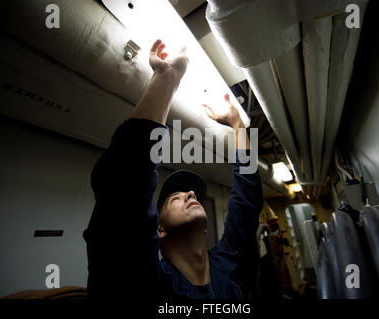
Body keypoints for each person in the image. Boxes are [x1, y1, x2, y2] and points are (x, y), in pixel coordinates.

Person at [83, 39, 264, 300]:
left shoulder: (230, 262)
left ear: (205, 230)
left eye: (189, 195)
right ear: (159, 229)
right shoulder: (142, 282)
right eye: (175, 198)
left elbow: (248, 197)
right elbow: (122, 186)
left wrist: (238, 125)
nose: (190, 193)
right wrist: (167, 79)